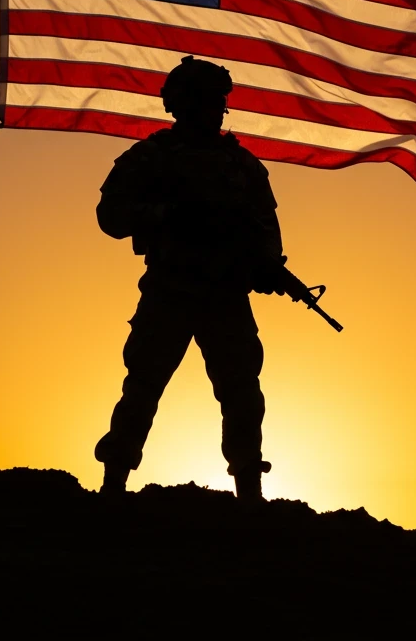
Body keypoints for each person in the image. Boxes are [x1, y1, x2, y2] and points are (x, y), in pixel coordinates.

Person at [94, 56, 287, 502]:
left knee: (242, 393)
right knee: (143, 386)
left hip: (225, 295)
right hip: (170, 289)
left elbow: (266, 232)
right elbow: (110, 216)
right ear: (179, 104)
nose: (215, 110)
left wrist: (265, 267)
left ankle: (249, 490)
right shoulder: (152, 158)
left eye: (218, 102)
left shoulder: (242, 166)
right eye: (206, 100)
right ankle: (113, 483)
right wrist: (168, 215)